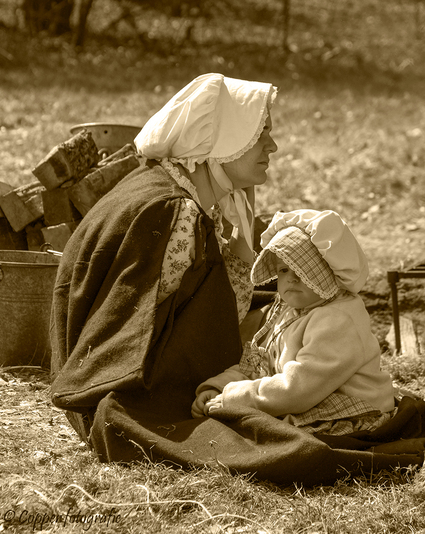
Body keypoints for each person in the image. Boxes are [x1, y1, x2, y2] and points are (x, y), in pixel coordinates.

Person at [50, 73, 278, 440]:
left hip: (95, 378)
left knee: (276, 306)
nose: (272, 146)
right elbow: (157, 328)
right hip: (121, 393)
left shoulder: (168, 185)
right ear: (221, 141)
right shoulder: (176, 212)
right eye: (259, 133)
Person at [191, 209, 396, 436]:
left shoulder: (337, 319)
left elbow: (298, 387)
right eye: (283, 270)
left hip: (350, 406)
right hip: (304, 396)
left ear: (328, 273)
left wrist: (236, 398)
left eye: (304, 270)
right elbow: (261, 365)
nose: (291, 278)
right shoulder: (290, 310)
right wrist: (220, 388)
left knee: (268, 435)